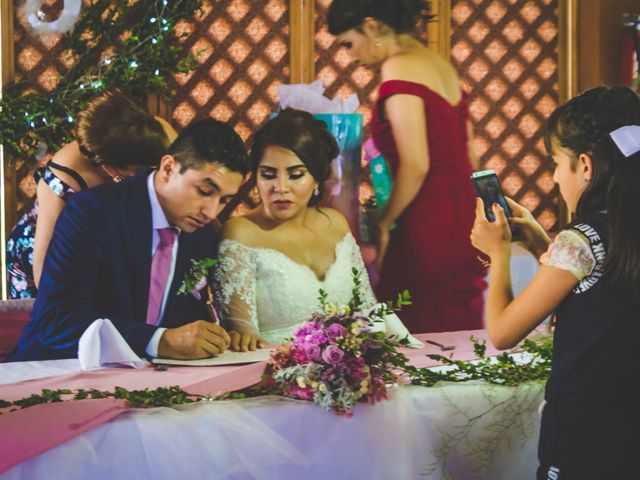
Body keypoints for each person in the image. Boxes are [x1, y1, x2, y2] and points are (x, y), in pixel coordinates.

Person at [470, 86, 640, 478]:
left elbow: (503, 331)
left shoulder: (579, 240)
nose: (553, 177)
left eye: (556, 163)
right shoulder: (618, 232)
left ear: (585, 165)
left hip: (586, 435)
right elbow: (600, 287)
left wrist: (499, 255)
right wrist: (538, 243)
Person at [8, 118, 256, 362]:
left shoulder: (201, 233)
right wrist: (160, 341)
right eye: (204, 191)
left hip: (152, 382)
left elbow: (186, 320)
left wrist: (218, 337)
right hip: (59, 371)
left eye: (224, 200)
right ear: (169, 168)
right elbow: (57, 322)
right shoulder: (94, 212)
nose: (211, 212)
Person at [327, 0, 486, 333]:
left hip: (428, 215)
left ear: (371, 26)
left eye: (349, 44)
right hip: (464, 208)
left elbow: (416, 164)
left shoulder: (398, 65)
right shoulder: (439, 63)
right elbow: (471, 154)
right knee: (454, 321)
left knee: (415, 320)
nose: (352, 56)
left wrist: (385, 222)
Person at [214, 108, 379, 345]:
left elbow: (368, 313)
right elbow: (243, 340)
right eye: (268, 174)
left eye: (295, 175)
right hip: (270, 372)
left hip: (350, 369)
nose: (280, 187)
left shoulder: (335, 223)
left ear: (316, 179)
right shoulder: (241, 233)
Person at [6, 89, 177, 299]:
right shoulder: (62, 180)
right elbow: (46, 277)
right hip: (38, 254)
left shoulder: (156, 133)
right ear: (111, 169)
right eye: (143, 172)